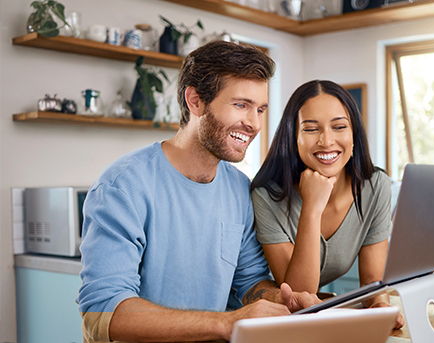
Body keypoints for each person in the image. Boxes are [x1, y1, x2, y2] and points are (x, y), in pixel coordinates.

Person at [77, 41, 320, 343]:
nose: (254, 124)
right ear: (195, 101)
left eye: (260, 109)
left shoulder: (239, 188)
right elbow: (101, 314)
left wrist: (278, 301)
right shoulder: (123, 186)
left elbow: (248, 283)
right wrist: (225, 323)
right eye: (240, 105)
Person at [250, 80, 404, 329]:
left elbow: (372, 279)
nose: (326, 140)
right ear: (293, 138)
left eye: (339, 126)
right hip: (261, 322)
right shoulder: (267, 196)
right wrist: (312, 207)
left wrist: (379, 305)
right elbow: (298, 296)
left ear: (354, 134)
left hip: (311, 320)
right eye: (311, 129)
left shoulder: (375, 187)